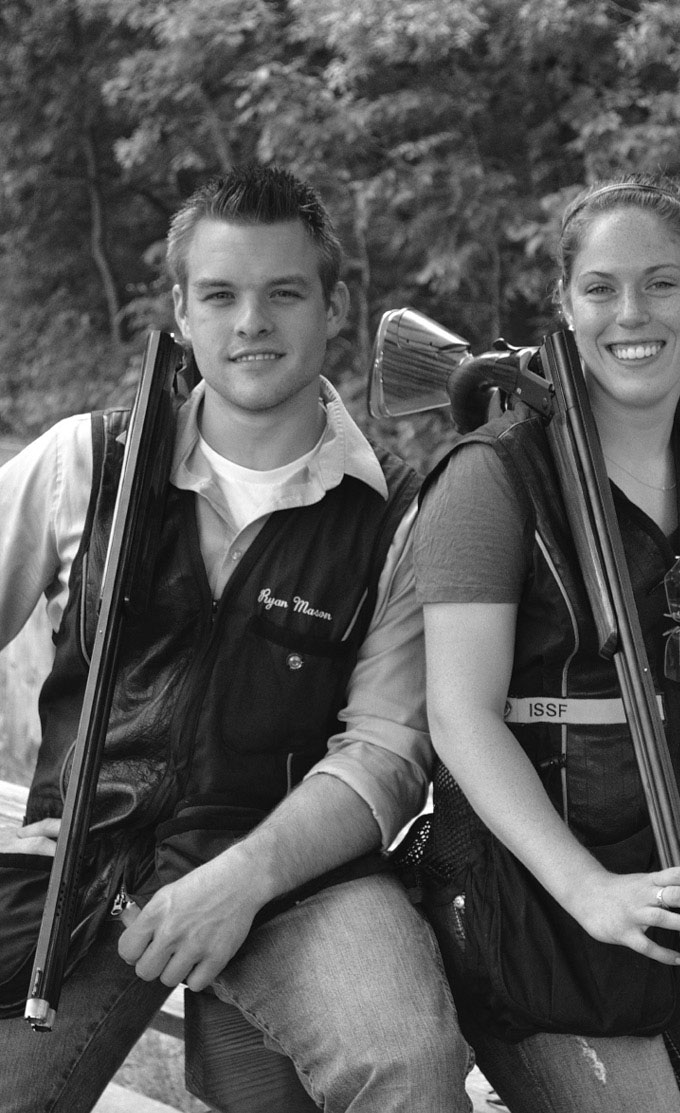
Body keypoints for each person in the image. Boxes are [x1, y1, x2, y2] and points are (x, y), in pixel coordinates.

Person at [0, 164, 472, 1113]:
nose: (250, 321)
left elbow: (384, 754)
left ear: (335, 307)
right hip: (88, 865)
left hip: (302, 877)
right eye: (220, 294)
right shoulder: (87, 461)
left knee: (408, 1063)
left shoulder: (404, 514)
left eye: (283, 292)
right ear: (179, 309)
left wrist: (242, 879)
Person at [410, 174, 680, 1113]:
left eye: (662, 283)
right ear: (563, 303)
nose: (629, 312)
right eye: (600, 287)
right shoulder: (492, 478)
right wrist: (589, 888)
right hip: (532, 893)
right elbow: (459, 715)